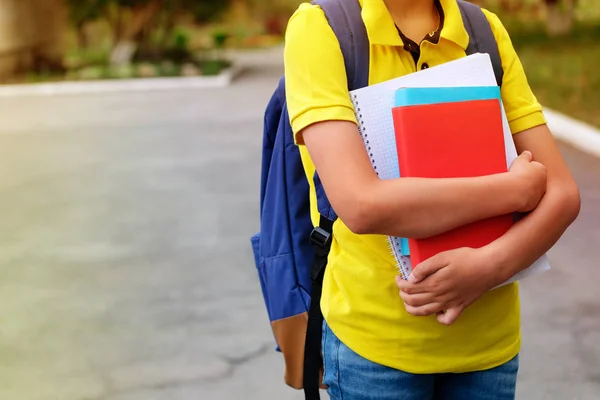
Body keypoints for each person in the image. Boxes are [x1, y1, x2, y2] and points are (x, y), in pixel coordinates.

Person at [283, 0, 581, 399]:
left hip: (488, 351)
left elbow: (562, 194)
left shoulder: (482, 29)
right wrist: (513, 190)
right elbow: (362, 205)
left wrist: (489, 267)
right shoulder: (322, 28)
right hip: (377, 353)